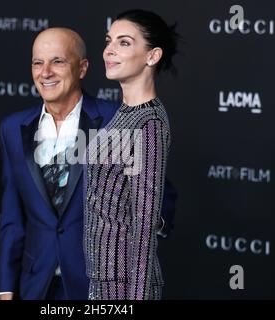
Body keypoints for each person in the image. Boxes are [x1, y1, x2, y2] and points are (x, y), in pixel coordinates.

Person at [0, 27, 176, 300]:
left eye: (58, 61)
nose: (45, 72)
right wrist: (6, 289)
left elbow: (158, 192)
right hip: (35, 286)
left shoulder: (115, 121)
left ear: (82, 68)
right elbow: (12, 216)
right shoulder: (12, 128)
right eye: (37, 62)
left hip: (100, 287)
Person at [84, 9, 179, 300]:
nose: (109, 51)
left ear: (152, 56)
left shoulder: (148, 122)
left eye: (124, 43)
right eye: (109, 40)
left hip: (124, 284)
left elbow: (146, 221)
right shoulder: (124, 114)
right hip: (104, 275)